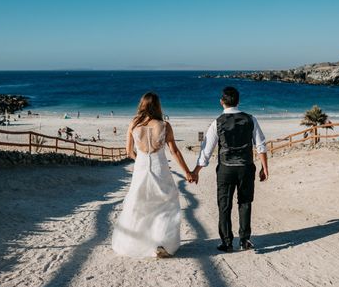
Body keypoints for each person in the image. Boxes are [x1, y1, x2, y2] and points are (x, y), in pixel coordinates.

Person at [112, 92, 193, 259]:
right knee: (166, 203)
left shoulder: (133, 124)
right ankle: (161, 242)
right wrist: (187, 172)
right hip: (160, 167)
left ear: (142, 105)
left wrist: (141, 159)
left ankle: (137, 242)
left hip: (141, 168)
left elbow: (129, 151)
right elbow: (174, 151)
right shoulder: (164, 125)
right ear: (157, 106)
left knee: (139, 203)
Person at [192, 86, 269, 252]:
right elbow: (261, 145)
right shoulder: (251, 119)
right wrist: (265, 168)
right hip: (246, 167)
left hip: (226, 169)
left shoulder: (217, 122)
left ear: (221, 102)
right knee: (245, 202)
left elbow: (207, 150)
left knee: (224, 205)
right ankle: (244, 240)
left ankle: (227, 242)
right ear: (238, 101)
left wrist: (196, 171)